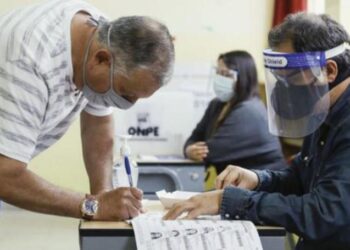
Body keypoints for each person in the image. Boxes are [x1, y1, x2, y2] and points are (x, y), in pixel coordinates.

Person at [164, 13, 350, 250]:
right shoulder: (322, 110)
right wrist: (258, 179)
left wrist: (228, 200)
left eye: (289, 78)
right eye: (278, 80)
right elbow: (299, 180)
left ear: (328, 71)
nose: (283, 90)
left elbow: (326, 214)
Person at [0, 0, 174, 221]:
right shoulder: (28, 60)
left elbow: (98, 124)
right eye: (125, 93)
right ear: (101, 59)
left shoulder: (99, 36)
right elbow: (4, 175)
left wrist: (103, 193)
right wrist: (93, 206)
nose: (126, 104)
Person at [184, 51, 285, 179]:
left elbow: (210, 153)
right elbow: (194, 138)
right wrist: (188, 150)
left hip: (265, 186)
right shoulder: (216, 105)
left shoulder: (249, 111)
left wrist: (191, 150)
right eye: (218, 72)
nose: (220, 78)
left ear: (243, 78)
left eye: (226, 74)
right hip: (237, 185)